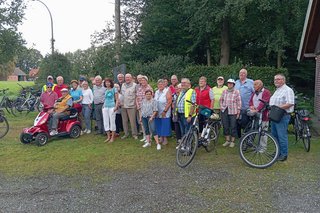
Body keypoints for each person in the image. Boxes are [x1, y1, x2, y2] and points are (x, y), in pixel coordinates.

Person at [270, 74, 294, 161]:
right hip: (275, 115)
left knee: (281, 136)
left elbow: (290, 103)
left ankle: (284, 155)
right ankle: (277, 152)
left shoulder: (287, 90)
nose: (276, 81)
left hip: (282, 116)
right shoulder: (277, 90)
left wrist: (277, 108)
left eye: (278, 79)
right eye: (275, 79)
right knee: (274, 135)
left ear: (283, 80)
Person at [248, 80, 271, 151]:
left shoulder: (266, 92)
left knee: (263, 131)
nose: (253, 86)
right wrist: (251, 106)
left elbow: (263, 102)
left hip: (263, 115)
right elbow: (251, 101)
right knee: (254, 129)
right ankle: (252, 144)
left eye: (255, 84)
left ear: (260, 85)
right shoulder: (254, 93)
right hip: (255, 115)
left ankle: (263, 147)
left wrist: (257, 109)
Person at [220, 79, 241, 148]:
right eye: (228, 83)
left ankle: (232, 141)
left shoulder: (236, 92)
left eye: (231, 83)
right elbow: (221, 100)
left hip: (233, 111)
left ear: (233, 85)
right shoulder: (224, 91)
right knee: (225, 126)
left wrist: (238, 112)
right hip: (225, 110)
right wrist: (222, 107)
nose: (230, 84)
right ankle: (227, 140)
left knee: (233, 126)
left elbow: (239, 102)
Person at [235, 68, 254, 137]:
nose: (241, 74)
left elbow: (255, 93)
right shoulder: (236, 82)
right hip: (237, 107)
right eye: (240, 72)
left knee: (245, 122)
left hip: (246, 106)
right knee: (237, 122)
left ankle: (246, 136)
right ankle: (238, 136)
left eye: (243, 73)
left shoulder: (251, 82)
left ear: (246, 74)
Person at [154, 79, 172, 145]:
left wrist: (165, 111)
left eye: (161, 84)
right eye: (159, 84)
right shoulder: (156, 92)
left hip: (165, 111)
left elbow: (169, 101)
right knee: (159, 124)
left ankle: (165, 139)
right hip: (157, 111)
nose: (160, 85)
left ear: (164, 85)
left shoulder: (167, 91)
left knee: (165, 124)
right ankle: (161, 137)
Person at [121, 73, 138, 139]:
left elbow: (136, 95)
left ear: (131, 78)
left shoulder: (135, 85)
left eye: (128, 77)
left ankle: (134, 134)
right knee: (124, 121)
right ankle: (126, 134)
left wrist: (136, 103)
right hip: (123, 105)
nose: (127, 79)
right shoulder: (123, 85)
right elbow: (122, 94)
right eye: (126, 77)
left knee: (132, 121)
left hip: (132, 105)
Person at [136, 75, 153, 142]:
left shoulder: (149, 88)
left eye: (144, 80)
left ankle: (150, 137)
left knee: (148, 123)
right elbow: (136, 97)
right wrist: (137, 105)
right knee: (142, 123)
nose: (142, 81)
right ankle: (145, 136)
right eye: (141, 80)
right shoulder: (139, 88)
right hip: (140, 108)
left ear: (147, 81)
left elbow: (151, 98)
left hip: (147, 108)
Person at [102, 78, 119, 143]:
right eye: (106, 82)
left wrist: (116, 106)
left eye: (108, 82)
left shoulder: (114, 89)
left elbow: (117, 99)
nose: (107, 83)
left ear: (110, 83)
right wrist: (103, 106)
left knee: (112, 122)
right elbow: (105, 99)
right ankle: (108, 137)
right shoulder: (106, 90)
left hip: (112, 107)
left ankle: (112, 137)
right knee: (106, 122)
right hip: (105, 107)